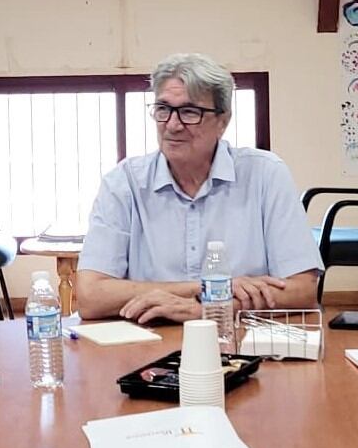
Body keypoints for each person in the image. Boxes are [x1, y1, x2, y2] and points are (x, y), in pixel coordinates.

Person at [76, 53, 321, 324]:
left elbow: (303, 290)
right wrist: (207, 289)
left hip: (237, 338)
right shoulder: (124, 182)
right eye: (163, 109)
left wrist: (206, 311)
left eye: (190, 112)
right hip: (146, 340)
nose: (172, 125)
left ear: (223, 121)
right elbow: (90, 296)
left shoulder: (265, 174)